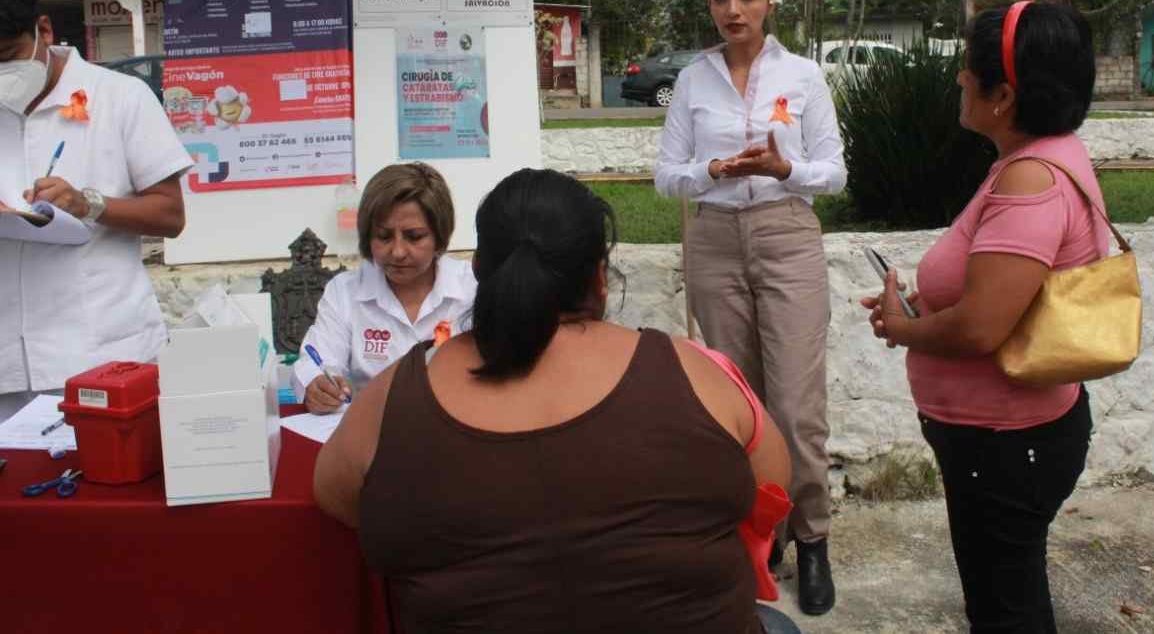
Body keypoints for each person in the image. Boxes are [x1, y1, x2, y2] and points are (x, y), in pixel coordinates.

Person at [313, 168, 794, 633]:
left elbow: (336, 497)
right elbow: (773, 486)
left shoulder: (393, 397)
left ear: (479, 271)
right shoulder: (697, 373)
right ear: (600, 277)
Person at [862, 1, 1102, 633]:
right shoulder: (1036, 159)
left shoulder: (1030, 182)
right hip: (1003, 439)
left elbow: (981, 329)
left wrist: (902, 328)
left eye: (968, 69)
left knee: (1007, 610)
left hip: (1004, 444)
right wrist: (925, 304)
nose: (959, 79)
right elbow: (998, 295)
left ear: (1002, 94)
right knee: (1002, 595)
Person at [653, 0, 847, 615]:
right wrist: (713, 170)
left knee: (795, 403)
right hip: (712, 237)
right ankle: (761, 535)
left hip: (786, 231)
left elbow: (835, 170)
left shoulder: (803, 75)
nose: (732, 9)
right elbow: (666, 174)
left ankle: (812, 534)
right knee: (740, 402)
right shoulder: (692, 80)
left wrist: (784, 169)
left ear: (768, 2)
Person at [0, 0, 191, 420]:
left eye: (6, 55)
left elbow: (170, 216)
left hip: (98, 358)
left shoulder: (120, 97)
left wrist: (90, 204)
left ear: (43, 30)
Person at [292, 162, 476, 413]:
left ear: (440, 235)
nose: (398, 252)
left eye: (414, 236)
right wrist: (316, 385)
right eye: (383, 236)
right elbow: (315, 362)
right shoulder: (345, 292)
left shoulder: (473, 289)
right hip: (372, 435)